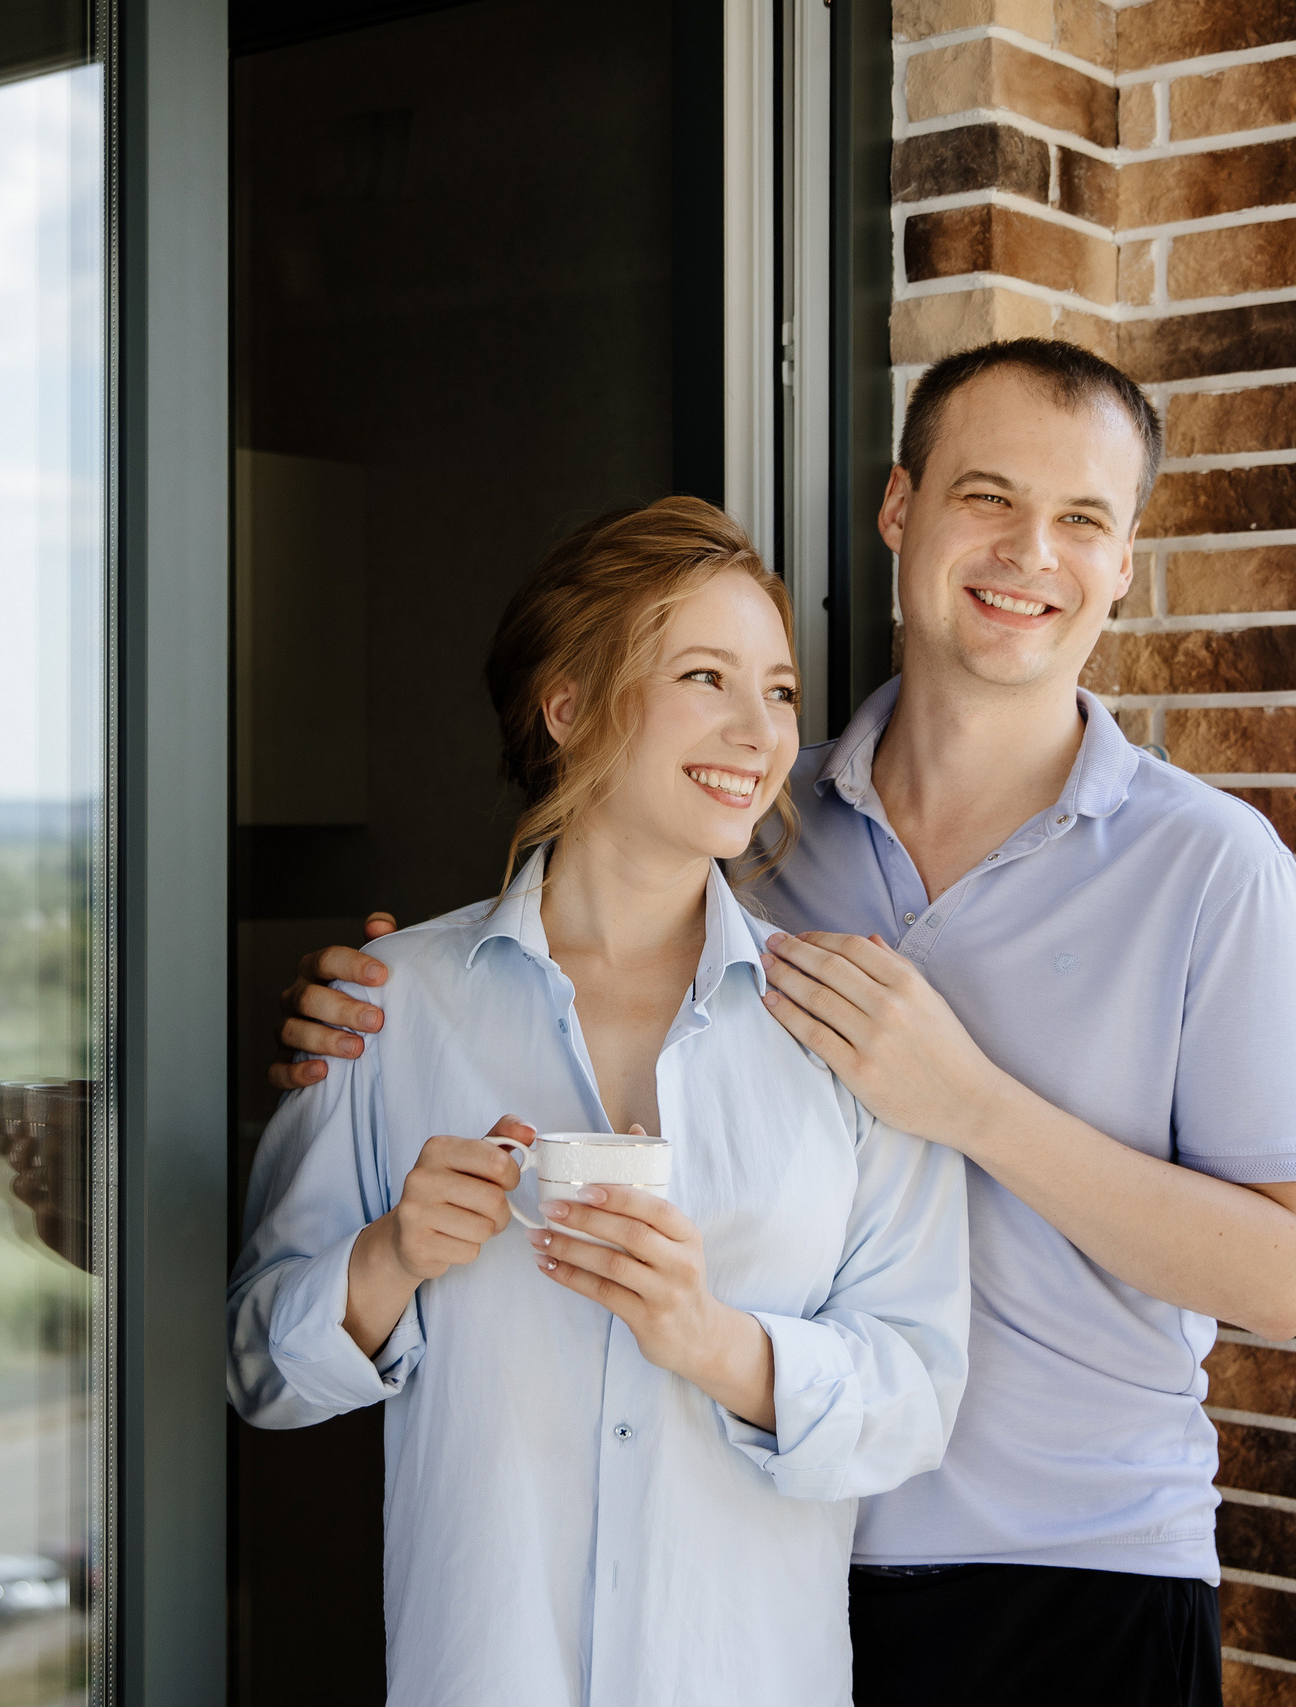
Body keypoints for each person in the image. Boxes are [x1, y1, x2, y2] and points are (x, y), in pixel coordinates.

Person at [275, 341, 1296, 1707]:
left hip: (1071, 1572)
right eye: (988, 496)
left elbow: (1284, 1277)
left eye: (1083, 519)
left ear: (1124, 562)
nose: (1031, 553)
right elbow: (558, 968)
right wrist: (367, 1018)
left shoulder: (1210, 866)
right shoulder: (758, 829)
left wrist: (970, 1103)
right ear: (900, 507)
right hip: (749, 1560)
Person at [227, 498, 970, 1707]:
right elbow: (260, 1370)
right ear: (565, 708)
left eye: (779, 691)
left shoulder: (844, 1030)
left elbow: (914, 1402)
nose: (758, 732)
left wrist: (712, 1341)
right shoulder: (390, 1010)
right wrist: (390, 1257)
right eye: (704, 676)